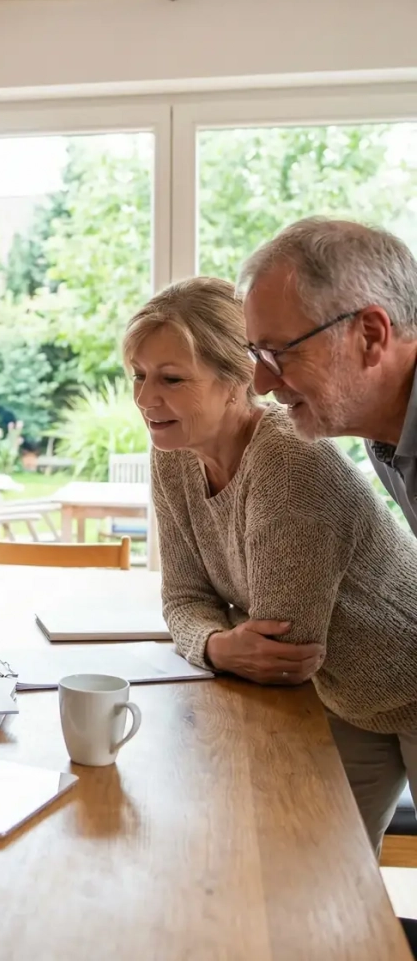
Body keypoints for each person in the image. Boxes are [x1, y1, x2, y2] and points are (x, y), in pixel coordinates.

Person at [124, 276, 417, 856]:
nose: (145, 399)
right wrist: (212, 644)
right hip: (337, 696)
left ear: (237, 380)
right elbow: (184, 597)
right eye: (138, 375)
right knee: (314, 877)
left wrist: (223, 632)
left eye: (171, 379)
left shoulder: (289, 462)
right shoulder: (175, 454)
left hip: (407, 675)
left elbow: (285, 649)